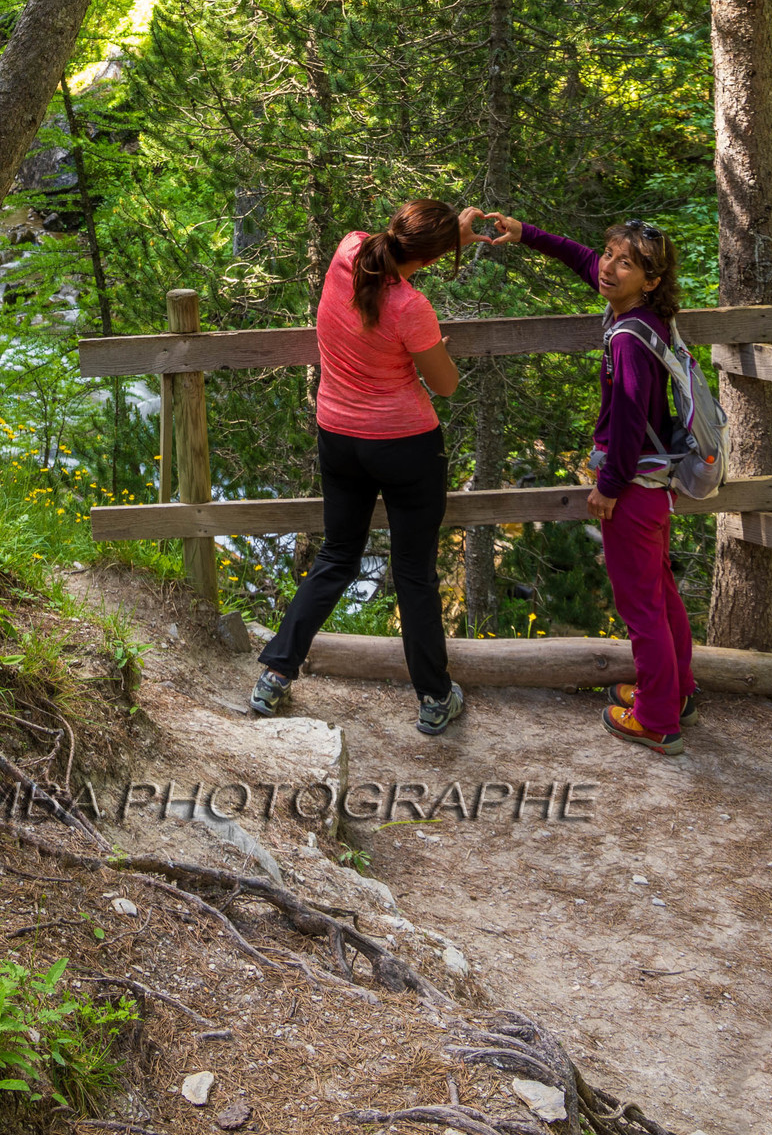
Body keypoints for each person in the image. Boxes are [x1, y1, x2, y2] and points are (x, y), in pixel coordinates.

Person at [251, 199, 473, 735]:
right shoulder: (412, 309)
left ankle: (275, 675)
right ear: (435, 257)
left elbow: (389, 250)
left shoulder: (347, 251)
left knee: (337, 555)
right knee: (414, 572)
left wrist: (451, 234)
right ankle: (435, 698)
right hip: (404, 446)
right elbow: (444, 385)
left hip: (339, 438)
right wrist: (434, 350)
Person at [480, 211, 694, 758]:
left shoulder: (627, 340)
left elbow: (625, 420)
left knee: (641, 605)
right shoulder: (645, 317)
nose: (609, 268)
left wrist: (610, 486)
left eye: (628, 264)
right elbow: (581, 257)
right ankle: (674, 691)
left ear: (650, 280)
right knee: (661, 594)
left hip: (636, 487)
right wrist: (526, 234)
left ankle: (656, 717)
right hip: (657, 483)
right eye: (610, 255)